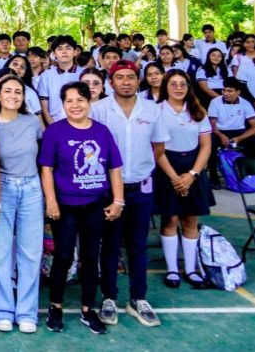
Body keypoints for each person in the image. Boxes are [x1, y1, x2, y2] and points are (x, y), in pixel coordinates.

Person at [40, 82, 124, 334]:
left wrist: (118, 200)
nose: (75, 105)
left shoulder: (102, 132)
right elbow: (47, 169)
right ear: (62, 104)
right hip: (65, 206)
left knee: (90, 258)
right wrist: (51, 201)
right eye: (69, 101)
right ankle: (56, 307)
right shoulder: (54, 132)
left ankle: (88, 309)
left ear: (89, 102)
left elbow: (114, 168)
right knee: (63, 257)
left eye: (80, 100)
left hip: (94, 206)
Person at [90, 61, 167, 328]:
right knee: (110, 246)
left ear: (138, 81)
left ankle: (138, 298)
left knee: (137, 245)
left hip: (140, 187)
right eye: (119, 77)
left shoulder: (152, 110)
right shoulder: (98, 110)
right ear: (110, 83)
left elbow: (158, 147)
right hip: (109, 190)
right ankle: (109, 297)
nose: (125, 82)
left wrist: (140, 168)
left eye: (131, 77)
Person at [0, 75, 43, 334]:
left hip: (31, 188)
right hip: (3, 190)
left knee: (30, 253)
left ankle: (27, 312)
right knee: (1, 253)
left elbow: (41, 155)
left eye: (18, 92)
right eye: (7, 91)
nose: (13, 95)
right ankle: (3, 310)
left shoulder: (33, 122)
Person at [153, 69, 215, 289]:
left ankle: (190, 269)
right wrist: (174, 178)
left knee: (190, 220)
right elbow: (156, 148)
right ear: (165, 87)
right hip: (167, 167)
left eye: (183, 84)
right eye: (173, 84)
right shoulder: (157, 110)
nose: (178, 88)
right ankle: (172, 269)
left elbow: (206, 145)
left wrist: (192, 174)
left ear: (189, 88)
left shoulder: (198, 111)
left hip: (193, 168)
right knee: (170, 219)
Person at [208, 78, 255, 157]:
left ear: (238, 92)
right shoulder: (215, 102)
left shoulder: (245, 103)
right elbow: (212, 125)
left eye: (230, 91)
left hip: (239, 133)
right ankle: (212, 168)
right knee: (210, 143)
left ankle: (250, 167)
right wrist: (221, 136)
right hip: (219, 132)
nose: (225, 93)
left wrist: (239, 138)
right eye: (224, 90)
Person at [37, 36, 82, 124]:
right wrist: (54, 128)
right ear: (53, 54)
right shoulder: (46, 76)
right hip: (55, 123)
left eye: (68, 48)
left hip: (82, 123)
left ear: (75, 52)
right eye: (59, 49)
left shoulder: (84, 74)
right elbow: (45, 108)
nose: (64, 52)